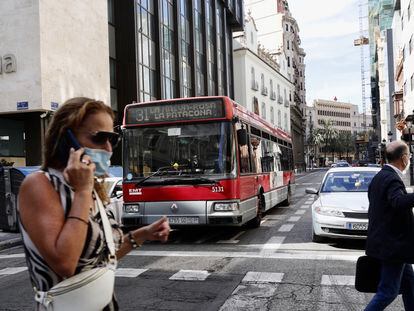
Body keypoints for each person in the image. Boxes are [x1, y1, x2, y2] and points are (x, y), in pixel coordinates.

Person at [18, 97, 170, 310]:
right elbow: (65, 264)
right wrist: (82, 192)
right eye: (100, 138)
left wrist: (141, 235)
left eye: (113, 139)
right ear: (66, 138)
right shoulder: (40, 185)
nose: (108, 148)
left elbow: (102, 259)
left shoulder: (91, 188)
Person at [365, 140, 414, 310]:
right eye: (409, 156)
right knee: (388, 292)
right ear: (403, 158)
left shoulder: (380, 176)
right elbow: (398, 202)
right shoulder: (391, 179)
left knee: (410, 284)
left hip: (387, 243)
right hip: (393, 247)